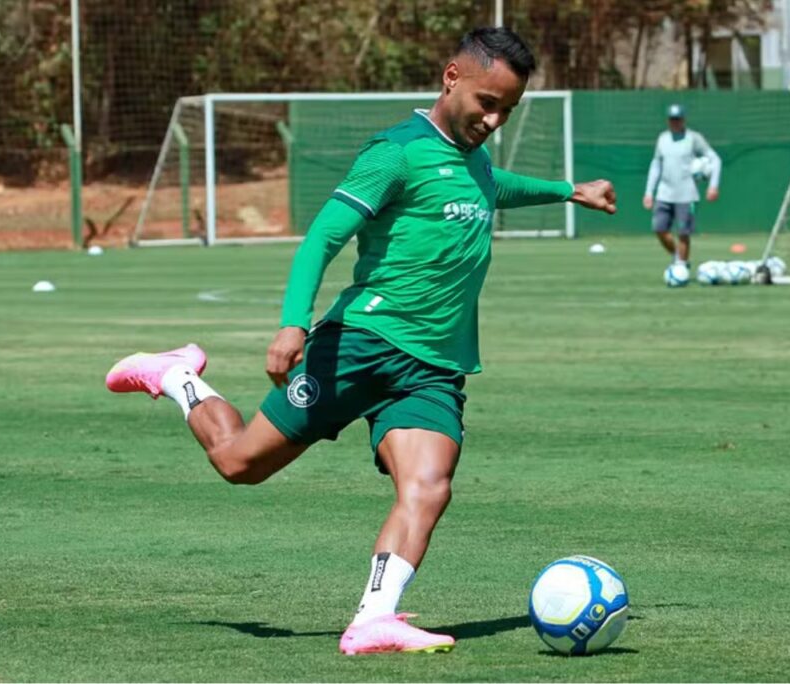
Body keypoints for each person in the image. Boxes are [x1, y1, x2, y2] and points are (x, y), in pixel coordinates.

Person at [105, 27, 616, 656]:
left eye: (507, 110)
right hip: (359, 343)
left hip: (432, 368)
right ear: (451, 78)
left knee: (429, 485)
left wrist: (569, 190)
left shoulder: (473, 159)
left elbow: (496, 185)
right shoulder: (396, 152)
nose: (494, 119)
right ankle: (179, 376)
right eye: (487, 102)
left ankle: (376, 617)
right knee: (239, 463)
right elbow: (322, 235)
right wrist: (295, 322)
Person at [642, 103, 721, 267]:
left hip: (687, 195)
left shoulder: (693, 138)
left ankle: (681, 267)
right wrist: (649, 192)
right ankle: (678, 257)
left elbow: (715, 159)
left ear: (683, 120)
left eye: (678, 119)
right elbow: (656, 165)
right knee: (659, 229)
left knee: (683, 233)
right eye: (672, 119)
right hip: (664, 193)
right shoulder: (663, 139)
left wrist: (713, 185)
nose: (675, 122)